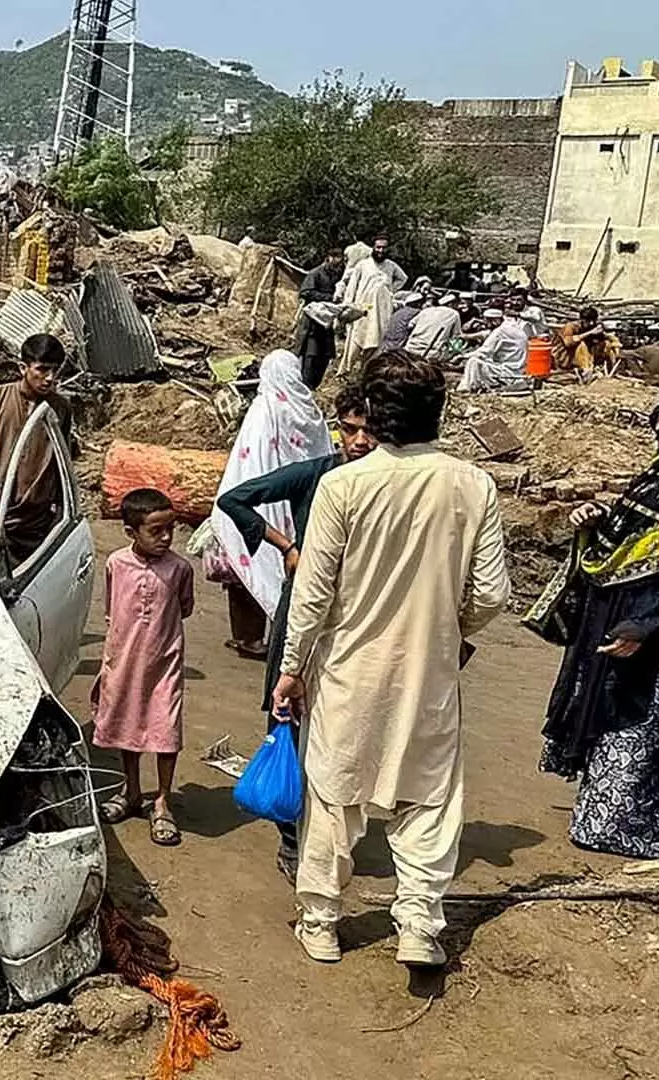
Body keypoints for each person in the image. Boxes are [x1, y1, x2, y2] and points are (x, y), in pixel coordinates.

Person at [274, 351, 510, 968]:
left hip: (348, 669)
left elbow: (313, 593)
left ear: (374, 415)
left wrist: (292, 667)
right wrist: (449, 631)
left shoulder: (343, 485)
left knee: (332, 794)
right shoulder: (473, 484)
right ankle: (418, 926)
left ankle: (321, 922)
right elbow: (490, 594)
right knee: (428, 800)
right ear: (439, 412)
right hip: (430, 672)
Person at [216, 384, 376, 882]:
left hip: (355, 614)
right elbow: (236, 498)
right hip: (302, 607)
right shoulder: (318, 473)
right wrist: (287, 545)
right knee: (286, 714)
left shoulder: (385, 483)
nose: (358, 441)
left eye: (369, 431)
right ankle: (291, 836)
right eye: (350, 429)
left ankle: (332, 828)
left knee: (344, 720)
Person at [532, 399, 659, 860]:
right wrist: (593, 522)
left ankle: (641, 826)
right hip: (624, 626)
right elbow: (624, 544)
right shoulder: (657, 476)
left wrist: (648, 624)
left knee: (645, 726)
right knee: (617, 715)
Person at [209, 350, 336, 659]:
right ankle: (279, 635)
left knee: (245, 568)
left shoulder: (264, 408)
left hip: (259, 499)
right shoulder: (310, 410)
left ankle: (250, 638)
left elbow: (251, 458)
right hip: (301, 501)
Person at [94, 487, 196, 846]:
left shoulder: (180, 569)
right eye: (156, 531)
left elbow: (184, 608)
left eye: (170, 529)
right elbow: (112, 610)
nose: (166, 538)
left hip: (164, 664)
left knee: (166, 732)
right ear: (131, 532)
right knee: (128, 725)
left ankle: (163, 801)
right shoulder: (116, 563)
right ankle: (131, 789)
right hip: (123, 661)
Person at [0, 334, 74, 563]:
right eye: (42, 369)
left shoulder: (60, 408)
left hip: (36, 520)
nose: (50, 378)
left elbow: (62, 461)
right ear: (23, 368)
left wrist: (62, 512)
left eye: (55, 370)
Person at [337, 237, 409, 373]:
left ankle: (366, 372)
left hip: (381, 310)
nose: (381, 251)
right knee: (356, 339)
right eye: (378, 247)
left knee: (376, 341)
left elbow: (403, 278)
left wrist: (390, 290)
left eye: (384, 248)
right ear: (373, 248)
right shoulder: (363, 265)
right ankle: (345, 371)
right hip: (363, 308)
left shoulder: (391, 266)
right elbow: (352, 286)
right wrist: (348, 304)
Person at [293, 250, 348, 388]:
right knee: (310, 356)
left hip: (327, 322)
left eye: (339, 264)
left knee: (325, 355)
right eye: (334, 262)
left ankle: (315, 385)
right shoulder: (315, 274)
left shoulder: (337, 276)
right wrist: (328, 298)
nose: (336, 267)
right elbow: (305, 292)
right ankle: (306, 386)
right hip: (312, 322)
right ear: (327, 258)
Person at [459, 307, 532, 393]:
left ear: (493, 321)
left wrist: (462, 356)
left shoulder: (499, 332)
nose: (485, 324)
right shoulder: (512, 325)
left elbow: (483, 352)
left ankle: (465, 388)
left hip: (509, 371)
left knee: (473, 362)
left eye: (487, 321)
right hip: (519, 368)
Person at [553, 307, 617, 374]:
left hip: (585, 355)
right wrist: (590, 332)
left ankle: (610, 367)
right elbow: (568, 342)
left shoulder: (593, 326)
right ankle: (586, 369)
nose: (591, 323)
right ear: (582, 320)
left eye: (593, 320)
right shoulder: (571, 327)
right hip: (565, 357)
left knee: (607, 344)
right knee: (582, 345)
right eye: (588, 321)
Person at [406, 294, 465, 361]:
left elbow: (410, 325)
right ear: (451, 304)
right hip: (431, 353)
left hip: (410, 348)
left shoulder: (426, 310)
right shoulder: (454, 314)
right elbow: (456, 337)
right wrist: (456, 354)